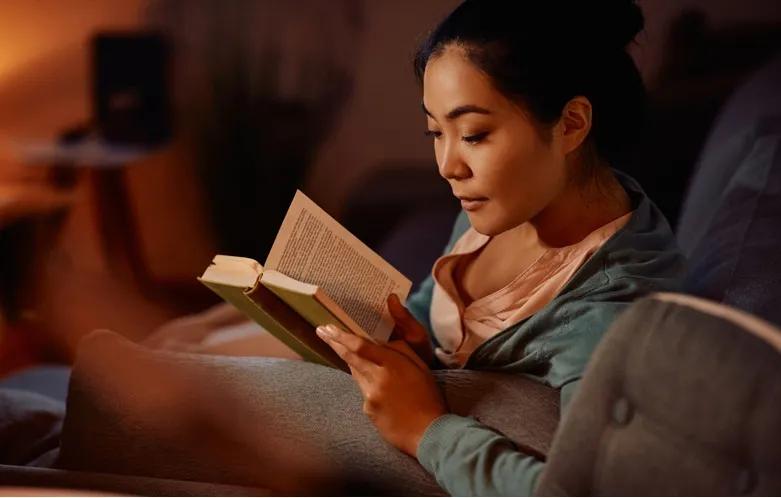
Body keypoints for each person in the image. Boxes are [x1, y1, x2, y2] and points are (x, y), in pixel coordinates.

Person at [313, 0, 686, 495]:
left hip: (432, 462)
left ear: (572, 124)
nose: (448, 165)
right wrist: (421, 348)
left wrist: (428, 430)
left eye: (474, 135)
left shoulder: (611, 319)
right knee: (215, 331)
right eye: (435, 132)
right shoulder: (508, 205)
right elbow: (429, 307)